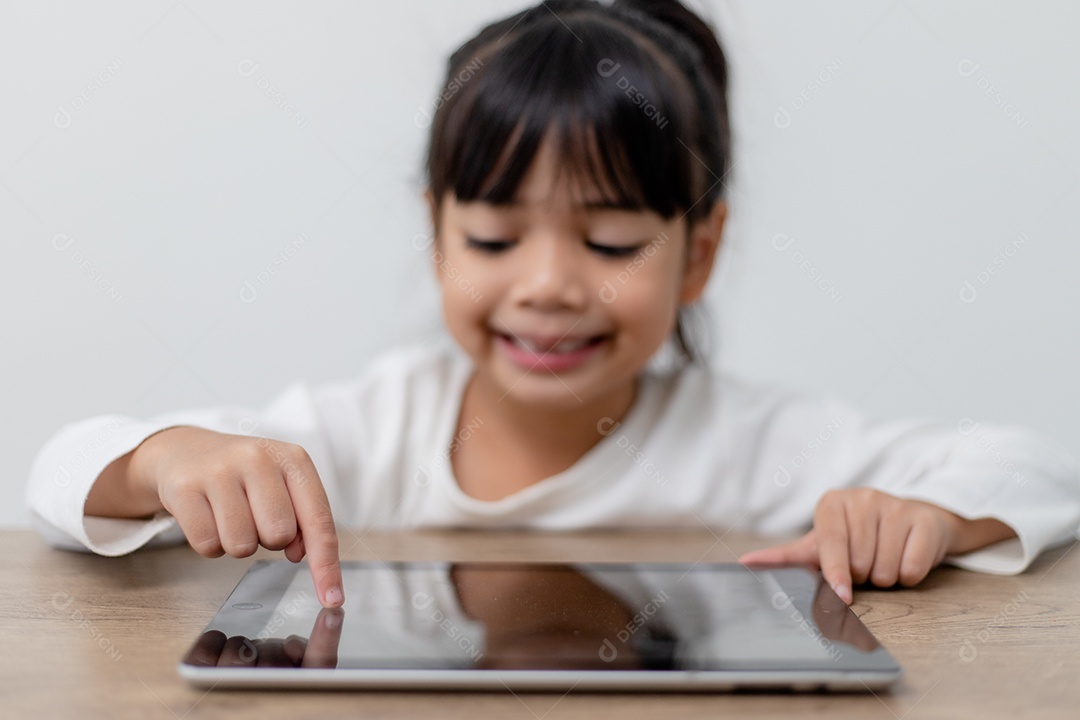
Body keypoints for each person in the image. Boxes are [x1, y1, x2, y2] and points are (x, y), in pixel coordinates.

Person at [26, 0, 1080, 612]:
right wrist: (169, 460)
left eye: (612, 242)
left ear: (698, 254)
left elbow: (1032, 468)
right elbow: (62, 471)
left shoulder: (756, 443)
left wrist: (929, 516)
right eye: (492, 238)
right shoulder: (373, 431)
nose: (547, 285)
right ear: (435, 231)